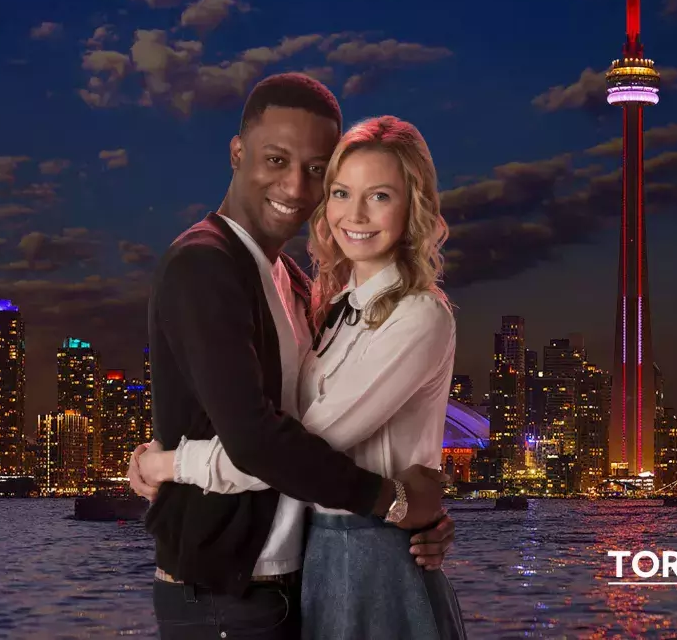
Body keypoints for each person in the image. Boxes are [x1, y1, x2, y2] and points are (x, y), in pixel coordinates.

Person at [134, 74, 456, 639]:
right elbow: (261, 443)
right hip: (226, 592)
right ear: (237, 153)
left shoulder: (301, 286)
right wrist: (398, 503)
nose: (296, 186)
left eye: (316, 171)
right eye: (276, 159)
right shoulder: (204, 264)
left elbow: (304, 440)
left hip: (298, 579)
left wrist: (417, 509)